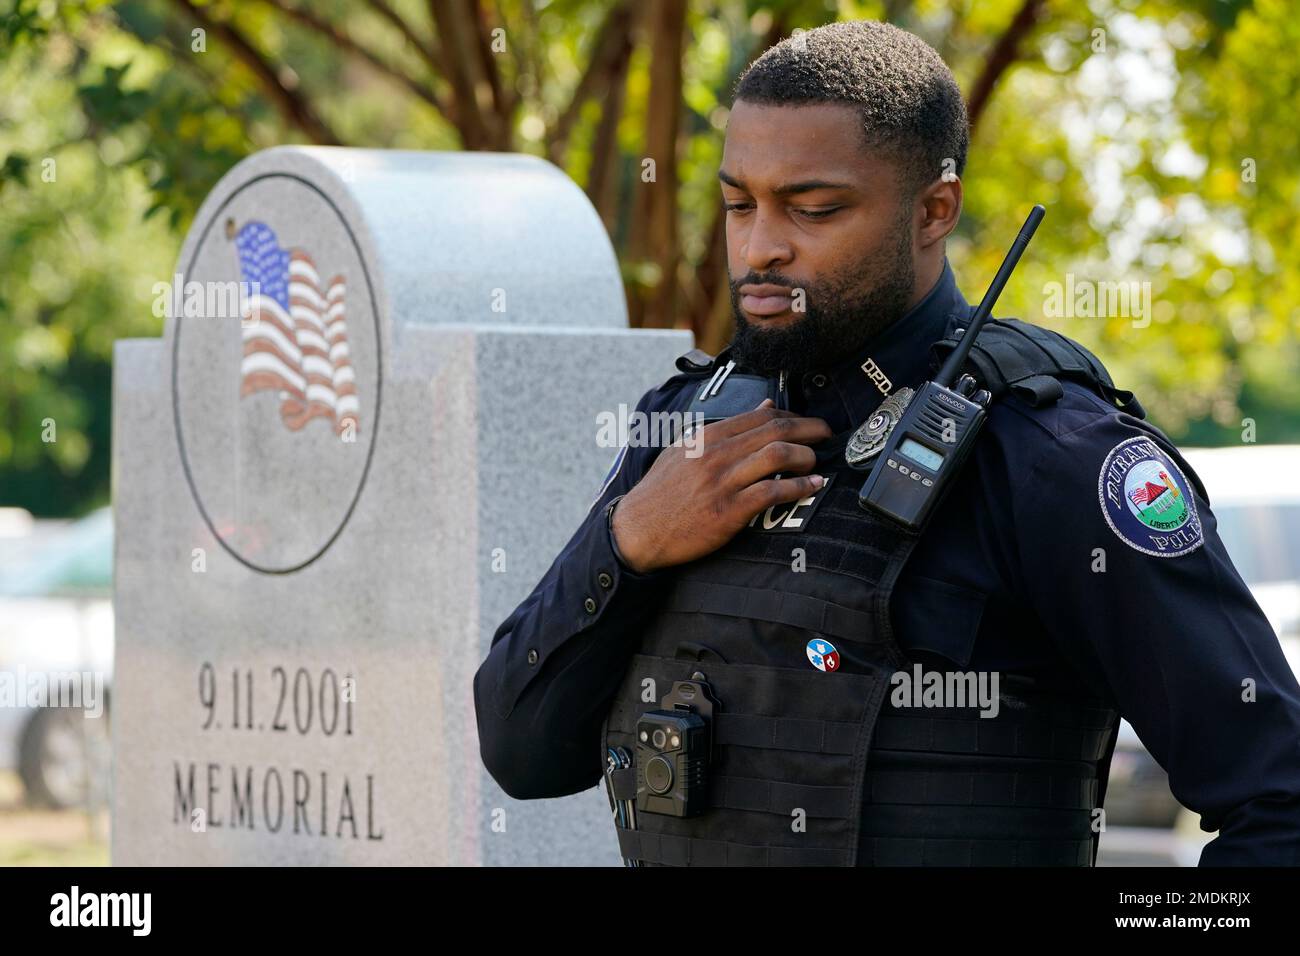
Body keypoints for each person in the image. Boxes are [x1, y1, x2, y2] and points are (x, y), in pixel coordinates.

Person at [473, 19, 1300, 866]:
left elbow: (1279, 804)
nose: (761, 247)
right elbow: (520, 753)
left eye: (814, 208)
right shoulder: (688, 429)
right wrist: (632, 541)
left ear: (933, 210)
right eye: (737, 204)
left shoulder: (1049, 455)